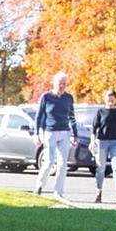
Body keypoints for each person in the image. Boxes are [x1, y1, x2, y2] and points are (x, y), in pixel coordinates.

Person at [34, 71, 78, 199]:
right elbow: (39, 116)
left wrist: (75, 134)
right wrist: (37, 133)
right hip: (50, 131)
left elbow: (72, 116)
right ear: (54, 83)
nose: (62, 86)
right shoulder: (46, 97)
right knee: (49, 161)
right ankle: (39, 185)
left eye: (64, 83)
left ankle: (58, 192)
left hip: (64, 131)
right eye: (60, 83)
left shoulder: (68, 98)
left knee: (63, 164)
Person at [89, 89, 116, 204]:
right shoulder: (100, 112)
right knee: (101, 168)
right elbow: (94, 128)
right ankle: (98, 192)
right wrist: (92, 141)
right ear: (105, 99)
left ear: (115, 99)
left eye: (112, 98)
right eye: (108, 98)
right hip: (102, 142)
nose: (110, 101)